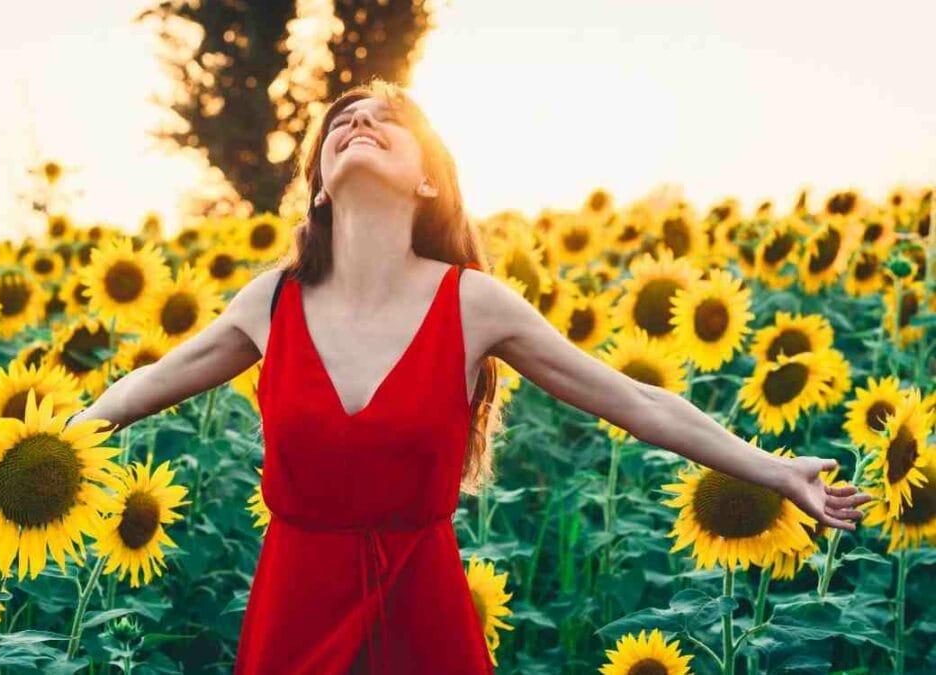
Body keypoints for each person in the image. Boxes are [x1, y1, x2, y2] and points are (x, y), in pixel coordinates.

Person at [66, 78, 872, 674]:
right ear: (317, 183)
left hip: (425, 613)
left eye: (387, 119)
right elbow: (129, 396)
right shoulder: (269, 302)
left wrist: (773, 469)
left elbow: (633, 401)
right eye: (342, 122)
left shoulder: (473, 304)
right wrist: (55, 445)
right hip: (293, 616)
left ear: (429, 181)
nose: (358, 122)